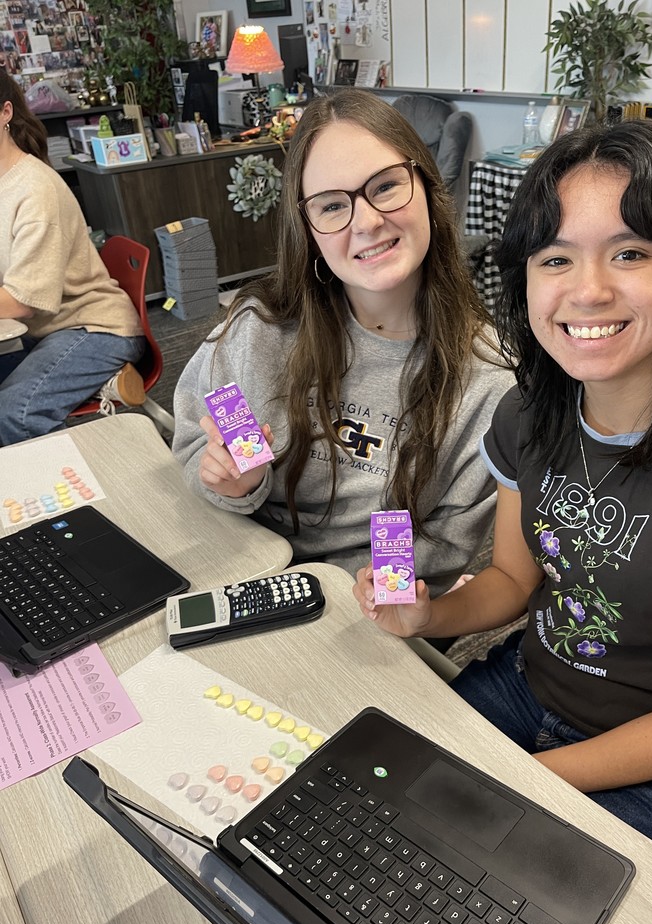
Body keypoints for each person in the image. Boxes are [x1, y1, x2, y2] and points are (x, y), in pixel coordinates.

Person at [354, 119, 652, 871]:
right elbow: (514, 579)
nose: (589, 290)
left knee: (485, 899)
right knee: (373, 812)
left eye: (631, 252)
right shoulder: (529, 413)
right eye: (556, 258)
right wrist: (430, 613)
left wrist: (519, 783)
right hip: (529, 684)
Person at [173, 89, 511, 595]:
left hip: (359, 610)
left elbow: (442, 546)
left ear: (427, 185)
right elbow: (196, 439)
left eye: (386, 186)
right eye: (332, 205)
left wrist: (371, 590)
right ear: (307, 228)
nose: (368, 221)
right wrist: (235, 485)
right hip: (233, 561)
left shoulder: (489, 382)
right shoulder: (258, 328)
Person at [0, 70, 146, 446]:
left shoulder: (34, 190)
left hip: (95, 330)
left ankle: (66, 499)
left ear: (4, 114)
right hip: (45, 331)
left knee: (12, 417)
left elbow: (20, 302)